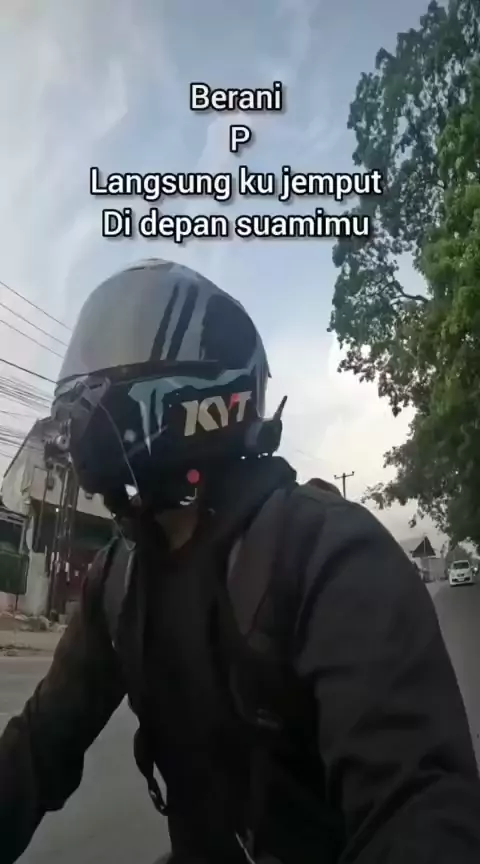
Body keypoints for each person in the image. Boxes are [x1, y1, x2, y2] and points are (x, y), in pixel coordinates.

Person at [1, 258, 480, 864]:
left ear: (205, 392)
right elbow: (37, 748)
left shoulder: (329, 551)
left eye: (117, 353)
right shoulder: (119, 576)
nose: (85, 386)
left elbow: (421, 805)